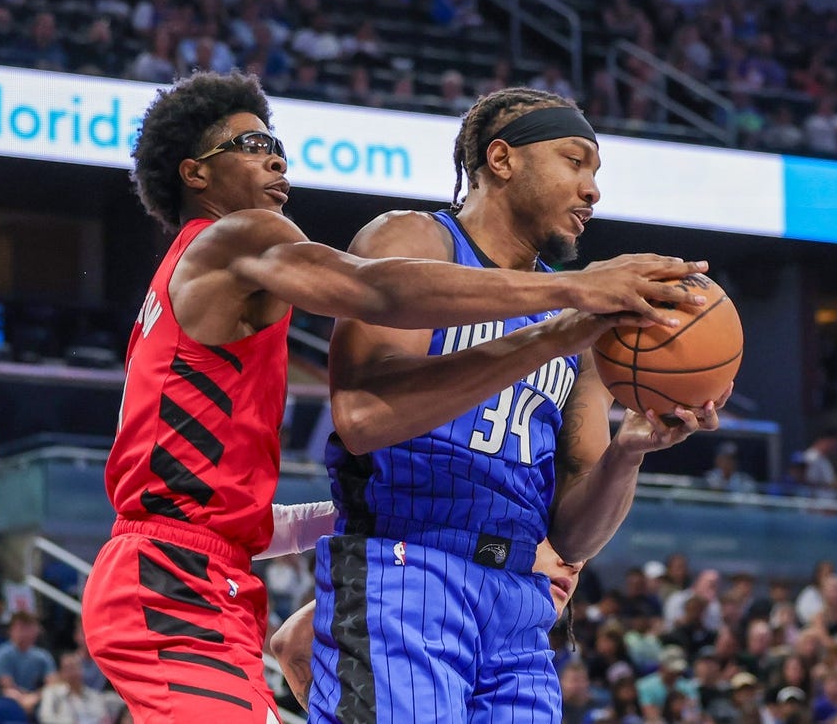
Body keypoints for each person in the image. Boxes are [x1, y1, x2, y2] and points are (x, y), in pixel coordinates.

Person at [80, 71, 695, 724]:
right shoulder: (238, 237)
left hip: (221, 571)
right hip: (176, 579)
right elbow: (373, 292)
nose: (277, 156)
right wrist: (572, 294)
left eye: (275, 142)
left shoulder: (211, 279)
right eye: (252, 143)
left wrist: (339, 516)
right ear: (194, 174)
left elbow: (212, 505)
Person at [311, 86, 726, 724]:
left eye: (596, 172)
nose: (592, 190)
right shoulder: (417, 240)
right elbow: (365, 419)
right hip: (404, 570)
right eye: (574, 160)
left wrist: (628, 453)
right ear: (501, 159)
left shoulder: (578, 323)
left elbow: (572, 535)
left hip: (519, 606)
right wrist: (552, 332)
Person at [269, 537, 584, 711]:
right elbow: (291, 643)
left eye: (586, 556)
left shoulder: (534, 661)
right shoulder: (426, 592)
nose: (574, 562)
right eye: (558, 542)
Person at [0, 611, 57, 716]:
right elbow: (6, 685)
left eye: (30, 627)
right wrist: (24, 699)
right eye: (21, 628)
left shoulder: (43, 656)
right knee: (10, 694)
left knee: (56, 694)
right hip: (8, 697)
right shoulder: (2, 654)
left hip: (36, 698)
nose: (26, 633)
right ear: (10, 631)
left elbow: (52, 683)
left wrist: (35, 697)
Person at [37, 652, 112, 724]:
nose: (73, 672)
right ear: (61, 672)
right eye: (68, 668)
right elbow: (45, 718)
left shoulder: (94, 696)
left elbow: (103, 718)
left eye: (75, 667)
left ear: (82, 670)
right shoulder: (51, 693)